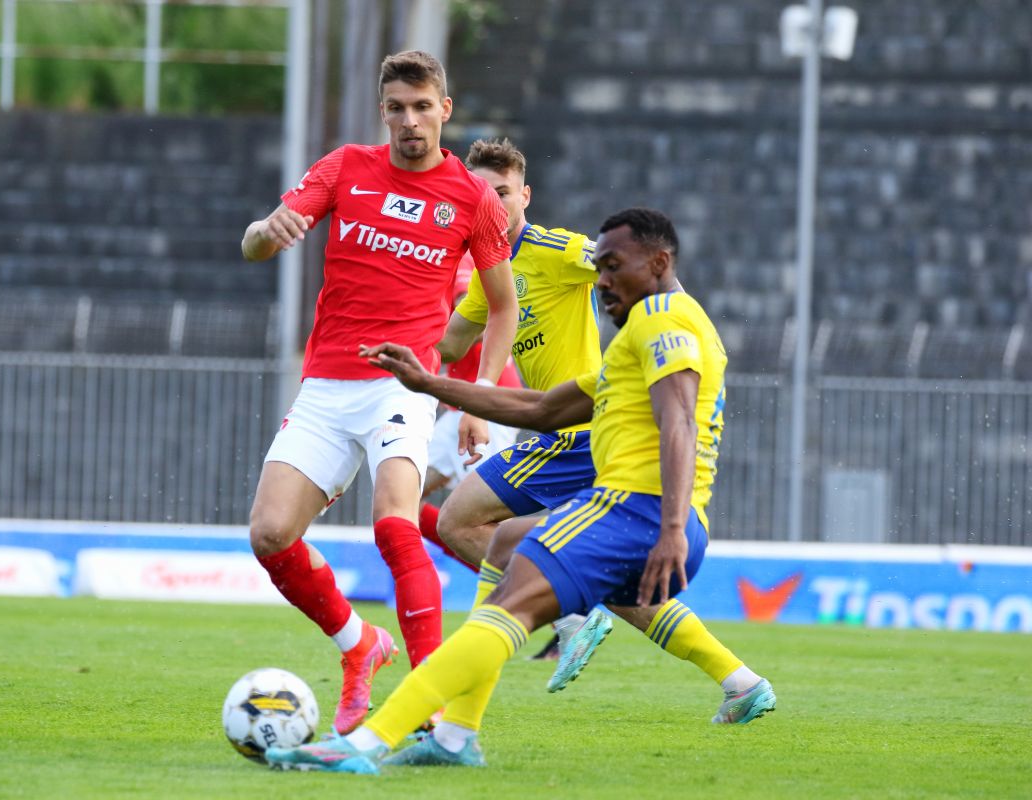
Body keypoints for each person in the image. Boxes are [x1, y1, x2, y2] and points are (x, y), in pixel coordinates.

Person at [266, 207, 776, 774]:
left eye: (614, 266)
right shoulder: (644, 333)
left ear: (659, 263)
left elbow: (678, 419)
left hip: (636, 511)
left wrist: (672, 528)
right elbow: (542, 408)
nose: (602, 281)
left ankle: (366, 744)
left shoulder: (661, 318)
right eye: (600, 268)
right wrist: (430, 383)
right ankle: (456, 735)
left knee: (507, 602)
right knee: (506, 542)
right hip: (643, 516)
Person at [239, 50, 518, 736]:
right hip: (326, 384)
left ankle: (426, 703)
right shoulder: (344, 168)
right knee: (270, 535)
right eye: (397, 108)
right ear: (383, 112)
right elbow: (255, 243)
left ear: (444, 110)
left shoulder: (473, 199)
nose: (409, 120)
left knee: (394, 521)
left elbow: (503, 306)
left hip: (403, 384)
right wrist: (266, 233)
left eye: (422, 107)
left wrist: (478, 395)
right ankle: (359, 644)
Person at [426, 137, 606, 656]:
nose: (493, 204)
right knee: (468, 524)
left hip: (587, 429)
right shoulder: (492, 271)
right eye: (482, 194)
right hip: (556, 431)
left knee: (460, 522)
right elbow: (449, 343)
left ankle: (566, 609)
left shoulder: (555, 249)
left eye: (503, 192)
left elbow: (629, 265)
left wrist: (670, 328)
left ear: (525, 196)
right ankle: (739, 681)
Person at [417, 255, 522, 573]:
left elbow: (478, 321)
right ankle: (493, 577)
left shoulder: (461, 258)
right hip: (459, 411)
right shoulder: (427, 256)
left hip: (489, 409)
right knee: (400, 499)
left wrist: (421, 341)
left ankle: (540, 592)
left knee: (487, 520)